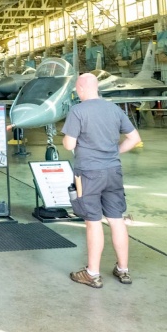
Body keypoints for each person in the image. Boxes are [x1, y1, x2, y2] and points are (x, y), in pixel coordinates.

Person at [61, 72, 142, 288]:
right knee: (116, 220)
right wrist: (115, 151)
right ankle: (123, 270)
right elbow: (135, 139)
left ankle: (92, 273)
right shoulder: (114, 109)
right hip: (113, 171)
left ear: (80, 88)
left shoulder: (78, 111)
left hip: (88, 173)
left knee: (93, 222)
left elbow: (69, 145)